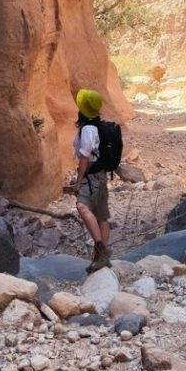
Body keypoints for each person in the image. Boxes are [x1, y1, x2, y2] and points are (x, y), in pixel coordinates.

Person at [72, 88, 111, 272]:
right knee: (101, 214)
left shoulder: (87, 129)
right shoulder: (99, 127)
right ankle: (103, 257)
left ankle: (100, 249)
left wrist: (79, 180)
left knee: (82, 206)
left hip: (91, 175)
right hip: (101, 174)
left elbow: (85, 157)